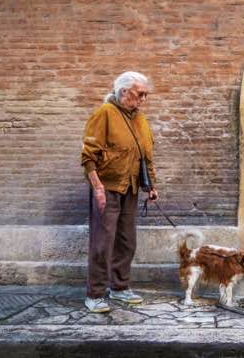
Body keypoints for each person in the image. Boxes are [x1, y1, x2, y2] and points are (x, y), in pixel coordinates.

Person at [80, 71, 159, 313]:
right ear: (124, 91)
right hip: (108, 188)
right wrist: (98, 188)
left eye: (145, 94)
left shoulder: (139, 118)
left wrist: (151, 186)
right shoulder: (105, 113)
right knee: (103, 242)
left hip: (131, 188)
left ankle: (120, 288)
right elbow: (88, 156)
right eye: (140, 93)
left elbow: (145, 154)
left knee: (126, 241)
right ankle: (95, 294)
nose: (143, 98)